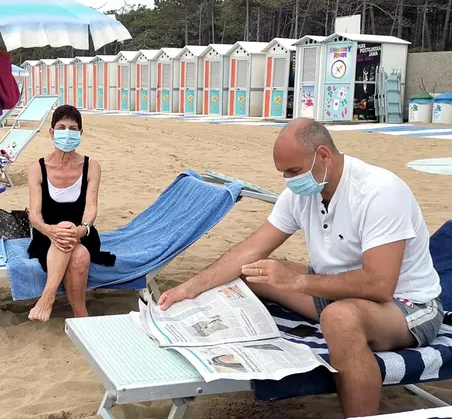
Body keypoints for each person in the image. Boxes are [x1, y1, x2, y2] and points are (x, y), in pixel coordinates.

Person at [158, 118, 442, 417]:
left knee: (339, 318)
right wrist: (190, 287)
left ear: (323, 154)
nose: (290, 180)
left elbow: (379, 285)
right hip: (337, 290)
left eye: (293, 171)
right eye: (284, 174)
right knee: (252, 271)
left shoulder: (379, 192)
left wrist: (297, 282)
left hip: (405, 306)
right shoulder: (301, 193)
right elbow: (249, 250)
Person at [26, 105, 115, 322]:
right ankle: (80, 315)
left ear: (81, 133)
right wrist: (49, 230)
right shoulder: (38, 168)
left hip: (82, 233)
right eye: (62, 127)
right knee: (77, 251)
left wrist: (82, 229)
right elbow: (34, 214)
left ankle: (48, 298)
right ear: (51, 132)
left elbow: (91, 206)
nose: (67, 133)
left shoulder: (91, 166)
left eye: (73, 128)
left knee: (75, 240)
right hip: (46, 237)